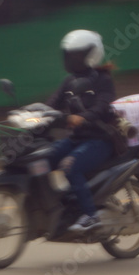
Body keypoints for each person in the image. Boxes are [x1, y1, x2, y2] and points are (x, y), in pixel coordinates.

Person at [46, 29, 117, 233]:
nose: (72, 59)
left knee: (70, 166)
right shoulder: (69, 81)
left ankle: (90, 215)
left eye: (77, 55)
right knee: (42, 159)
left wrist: (83, 117)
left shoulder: (103, 79)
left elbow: (103, 106)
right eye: (70, 55)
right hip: (77, 139)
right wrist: (36, 113)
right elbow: (53, 103)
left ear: (91, 54)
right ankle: (57, 208)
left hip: (100, 140)